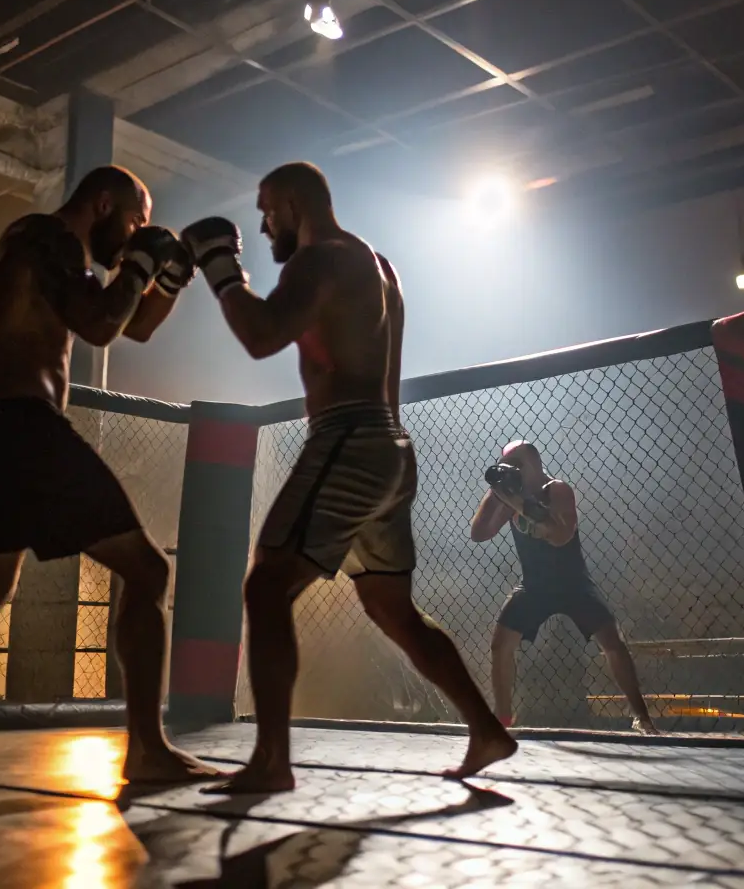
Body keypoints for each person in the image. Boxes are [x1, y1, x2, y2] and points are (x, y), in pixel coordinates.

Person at [0, 165, 219, 781]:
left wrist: (167, 279)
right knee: (147, 568)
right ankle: (147, 750)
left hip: (0, 427)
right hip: (25, 426)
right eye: (134, 219)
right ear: (104, 203)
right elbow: (103, 323)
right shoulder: (43, 236)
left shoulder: (51, 254)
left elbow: (132, 326)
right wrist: (140, 261)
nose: (135, 231)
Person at [182, 161, 516, 794]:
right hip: (391, 448)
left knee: (266, 586)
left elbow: (260, 335)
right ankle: (485, 729)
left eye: (267, 209)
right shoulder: (377, 265)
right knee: (394, 609)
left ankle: (271, 762)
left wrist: (218, 264)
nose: (262, 223)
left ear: (291, 202)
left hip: (350, 439)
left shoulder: (318, 260)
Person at [469, 440, 658, 733]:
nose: (514, 471)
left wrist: (520, 504)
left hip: (572, 582)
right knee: (500, 645)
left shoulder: (557, 489)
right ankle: (503, 719)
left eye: (518, 465)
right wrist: (495, 494)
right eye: (509, 466)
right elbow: (479, 534)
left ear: (534, 464)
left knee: (612, 643)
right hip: (534, 585)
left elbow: (560, 536)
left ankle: (642, 717)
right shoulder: (510, 497)